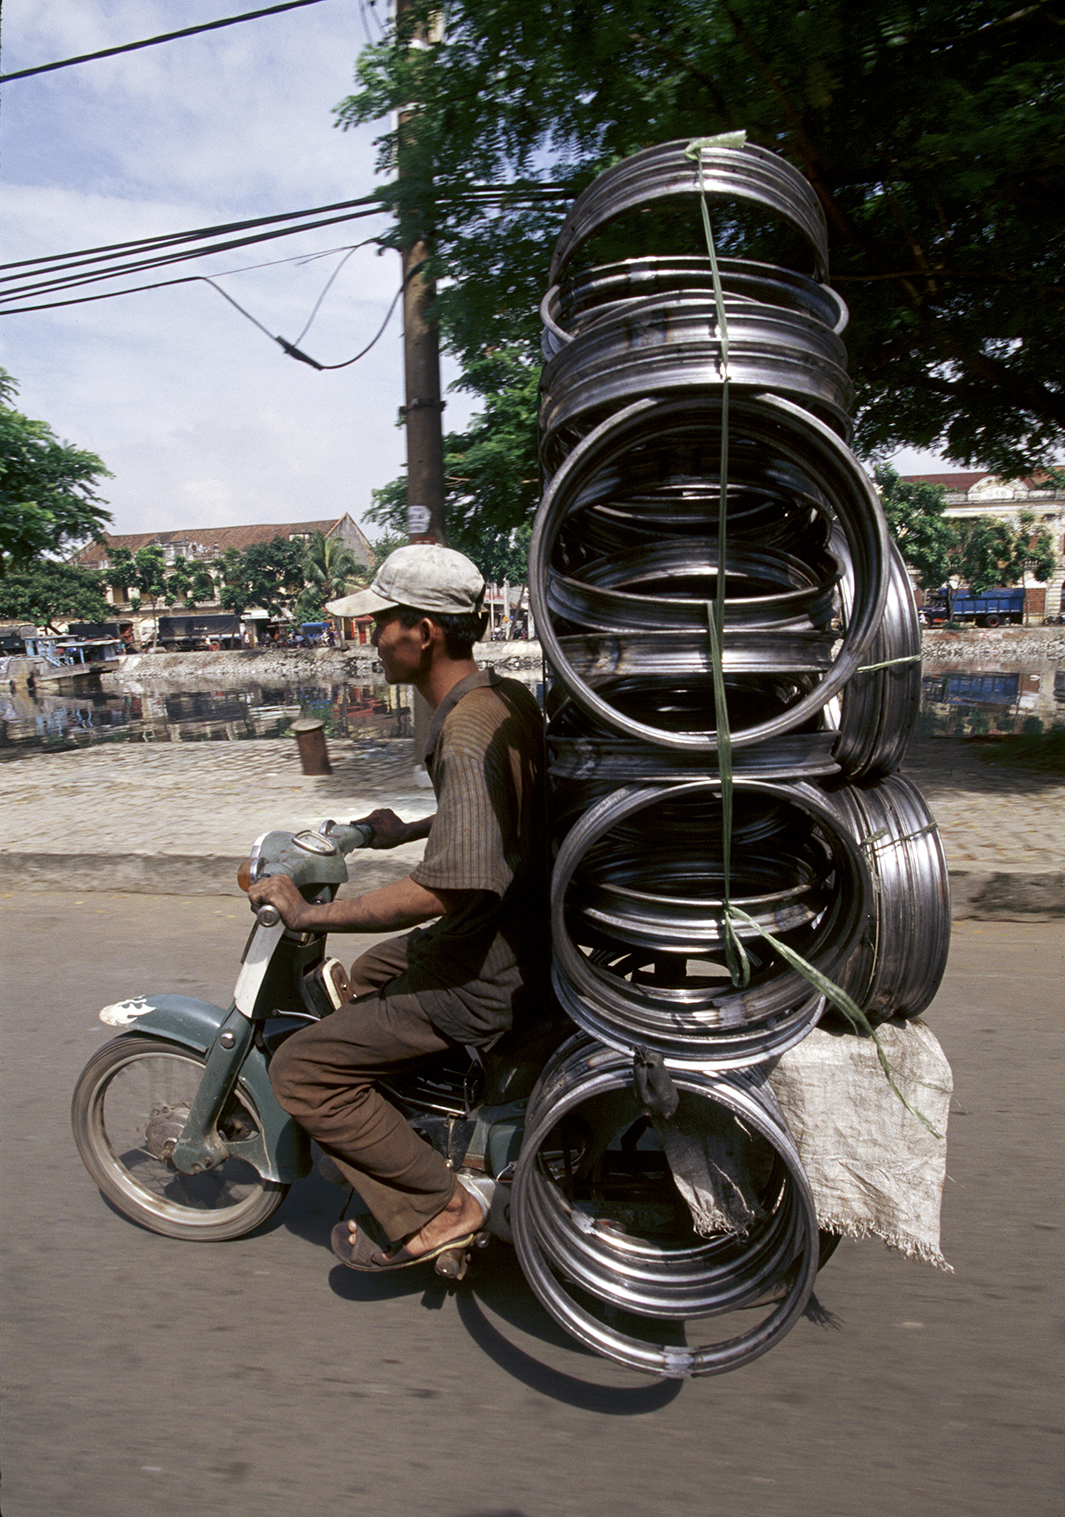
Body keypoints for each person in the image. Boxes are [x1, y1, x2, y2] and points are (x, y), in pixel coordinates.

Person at [248, 544, 546, 1272]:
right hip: (520, 932)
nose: (371, 638)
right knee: (366, 970)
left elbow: (442, 891)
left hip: (483, 971)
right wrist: (405, 827)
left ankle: (441, 1206)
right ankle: (414, 1111)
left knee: (301, 1068)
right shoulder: (502, 698)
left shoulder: (467, 731)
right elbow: (502, 818)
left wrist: (307, 914)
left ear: (423, 631)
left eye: (380, 622)